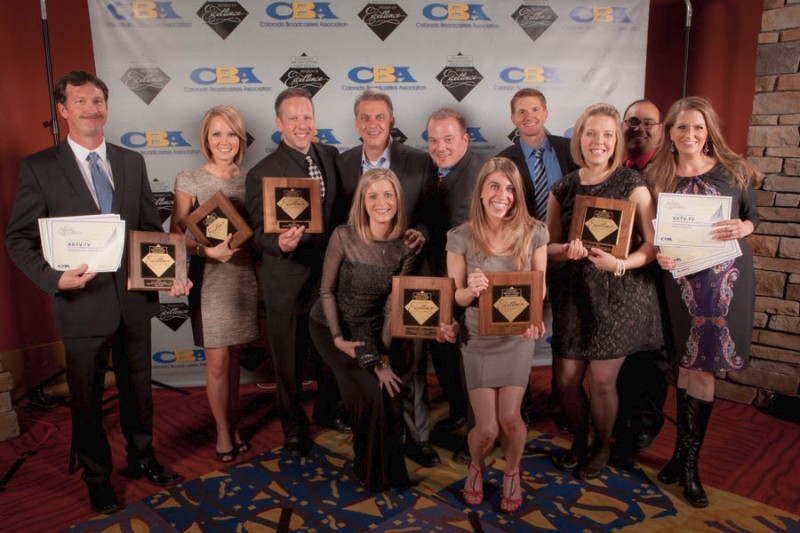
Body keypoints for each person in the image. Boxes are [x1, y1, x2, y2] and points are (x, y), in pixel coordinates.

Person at [4, 71, 188, 514]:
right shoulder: (39, 167)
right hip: (81, 304)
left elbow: (149, 230)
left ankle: (142, 457)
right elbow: (18, 239)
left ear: (107, 106)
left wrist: (167, 273)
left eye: (98, 100)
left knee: (138, 390)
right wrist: (53, 279)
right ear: (63, 110)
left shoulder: (131, 161)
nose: (91, 108)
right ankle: (97, 477)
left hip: (134, 301)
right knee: (86, 399)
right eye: (80, 101)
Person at [650, 96, 761, 508]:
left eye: (697, 127)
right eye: (681, 127)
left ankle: (690, 465)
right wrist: (658, 250)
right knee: (684, 364)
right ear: (670, 132)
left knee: (704, 371)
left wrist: (743, 226)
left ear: (709, 130)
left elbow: (753, 217)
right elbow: (651, 230)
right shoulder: (657, 174)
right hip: (679, 280)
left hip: (724, 282)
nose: (690, 134)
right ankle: (680, 457)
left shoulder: (734, 170)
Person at [546, 103, 661, 480]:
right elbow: (547, 246)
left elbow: (652, 246)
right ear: (579, 138)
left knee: (601, 381)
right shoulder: (562, 187)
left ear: (617, 141)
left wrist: (620, 264)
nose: (599, 141)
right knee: (566, 380)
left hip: (618, 295)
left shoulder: (633, 185)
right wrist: (565, 251)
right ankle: (580, 439)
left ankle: (601, 446)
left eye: (608, 134)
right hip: (573, 295)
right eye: (591, 133)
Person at [336, 89, 439, 467]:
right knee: (368, 355)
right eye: (365, 117)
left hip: (409, 276)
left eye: (380, 116)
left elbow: (435, 214)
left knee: (411, 358)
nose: (372, 124)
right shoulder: (342, 163)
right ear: (356, 123)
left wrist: (422, 233)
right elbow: (337, 221)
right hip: (361, 281)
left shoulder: (420, 161)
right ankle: (378, 432)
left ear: (392, 121)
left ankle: (418, 437)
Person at [445, 157, 548, 513]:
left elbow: (540, 286)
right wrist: (470, 290)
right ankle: (477, 465)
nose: (501, 195)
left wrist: (534, 317)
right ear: (481, 191)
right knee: (487, 429)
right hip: (477, 337)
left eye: (509, 188)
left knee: (510, 420)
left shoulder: (535, 231)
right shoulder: (460, 236)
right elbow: (456, 296)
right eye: (494, 186)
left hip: (517, 337)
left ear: (517, 194)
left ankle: (512, 471)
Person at [245, 87, 340, 458]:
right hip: (286, 277)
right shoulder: (262, 173)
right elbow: (257, 234)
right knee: (288, 358)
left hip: (328, 276)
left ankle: (329, 411)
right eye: (293, 118)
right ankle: (294, 427)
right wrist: (280, 244)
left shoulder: (331, 157)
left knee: (329, 351)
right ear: (279, 123)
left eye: (307, 116)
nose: (302, 124)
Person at [309, 168, 415, 492]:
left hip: (369, 328)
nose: (381, 202)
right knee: (369, 393)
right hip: (330, 326)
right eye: (373, 196)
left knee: (391, 392)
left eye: (388, 194)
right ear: (363, 202)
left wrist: (382, 356)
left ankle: (392, 471)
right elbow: (326, 291)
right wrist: (339, 339)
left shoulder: (404, 247)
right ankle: (368, 470)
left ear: (397, 199)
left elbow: (392, 306)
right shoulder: (344, 235)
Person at [169, 105, 258, 462]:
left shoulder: (252, 179)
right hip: (209, 279)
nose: (225, 141)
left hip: (244, 277)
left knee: (234, 360)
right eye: (217, 133)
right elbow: (175, 235)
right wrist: (205, 251)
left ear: (241, 139)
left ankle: (232, 425)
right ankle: (223, 431)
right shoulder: (189, 179)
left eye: (231, 133)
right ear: (206, 139)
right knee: (218, 362)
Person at [496, 88, 578, 430]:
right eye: (521, 111)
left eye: (534, 109)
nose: (528, 116)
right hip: (525, 258)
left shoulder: (571, 150)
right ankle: (523, 403)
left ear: (545, 112)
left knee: (568, 334)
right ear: (513, 118)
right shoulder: (504, 160)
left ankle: (564, 401)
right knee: (519, 333)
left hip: (570, 256)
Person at [421, 107, 483, 463]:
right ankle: (460, 411)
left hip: (465, 281)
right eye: (433, 140)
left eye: (448, 139)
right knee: (444, 353)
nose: (440, 147)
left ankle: (480, 432)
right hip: (439, 277)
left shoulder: (477, 175)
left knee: (466, 357)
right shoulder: (434, 170)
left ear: (465, 139)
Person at [614, 99, 670, 456]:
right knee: (621, 349)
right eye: (633, 121)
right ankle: (620, 417)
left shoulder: (671, 171)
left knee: (652, 352)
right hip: (620, 273)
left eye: (649, 122)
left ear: (660, 129)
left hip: (658, 274)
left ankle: (646, 422)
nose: (640, 128)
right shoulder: (612, 167)